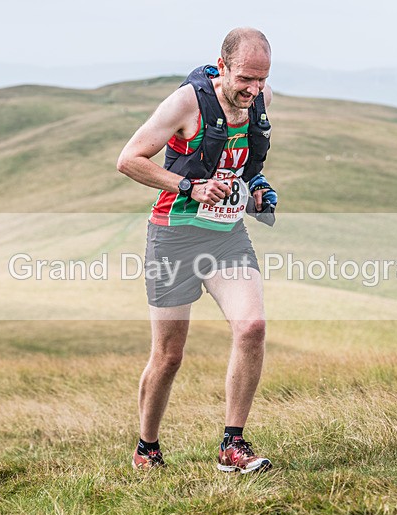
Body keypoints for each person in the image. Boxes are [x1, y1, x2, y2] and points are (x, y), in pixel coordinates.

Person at [117, 27, 277, 473]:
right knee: (169, 357)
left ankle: (233, 445)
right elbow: (129, 159)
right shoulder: (188, 102)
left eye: (262, 80)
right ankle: (147, 448)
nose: (254, 89)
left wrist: (257, 190)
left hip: (226, 234)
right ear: (221, 66)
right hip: (173, 235)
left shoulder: (259, 100)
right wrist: (190, 185)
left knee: (252, 327)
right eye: (245, 78)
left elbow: (244, 165)